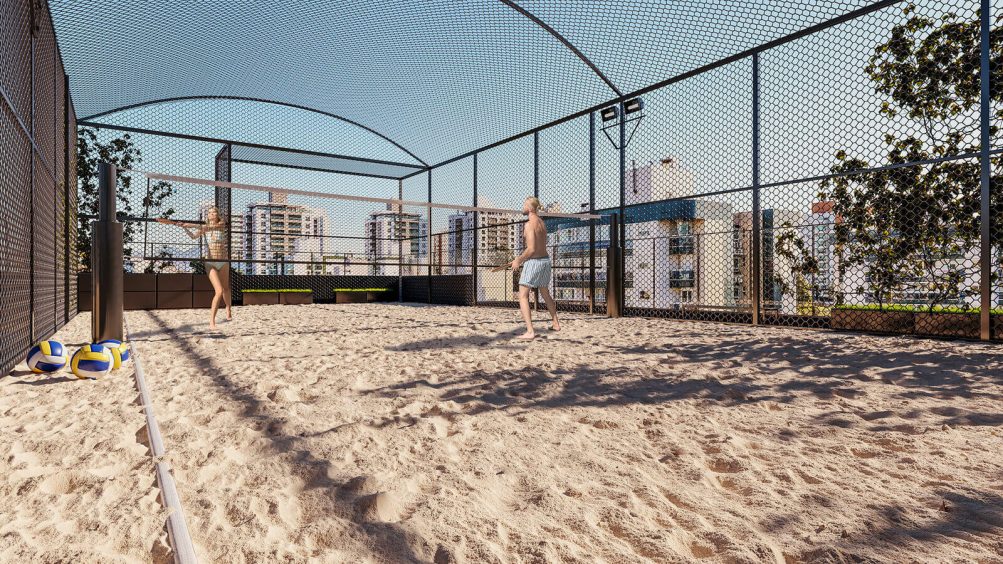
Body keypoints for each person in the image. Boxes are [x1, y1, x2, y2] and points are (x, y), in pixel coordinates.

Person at [157, 206, 232, 329]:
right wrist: (184, 228)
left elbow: (208, 227)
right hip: (210, 262)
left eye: (214, 212)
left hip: (223, 261)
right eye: (210, 212)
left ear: (217, 215)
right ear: (207, 216)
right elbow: (193, 237)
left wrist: (190, 224)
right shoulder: (204, 228)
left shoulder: (221, 224)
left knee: (226, 289)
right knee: (218, 291)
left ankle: (228, 308)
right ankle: (212, 321)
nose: (212, 214)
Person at [508, 196, 560, 340]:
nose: (523, 207)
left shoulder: (529, 224)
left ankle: (530, 331)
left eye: (524, 204)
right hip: (545, 261)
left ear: (530, 208)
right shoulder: (541, 223)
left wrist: (518, 260)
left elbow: (531, 249)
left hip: (535, 262)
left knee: (522, 295)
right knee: (545, 292)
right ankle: (555, 323)